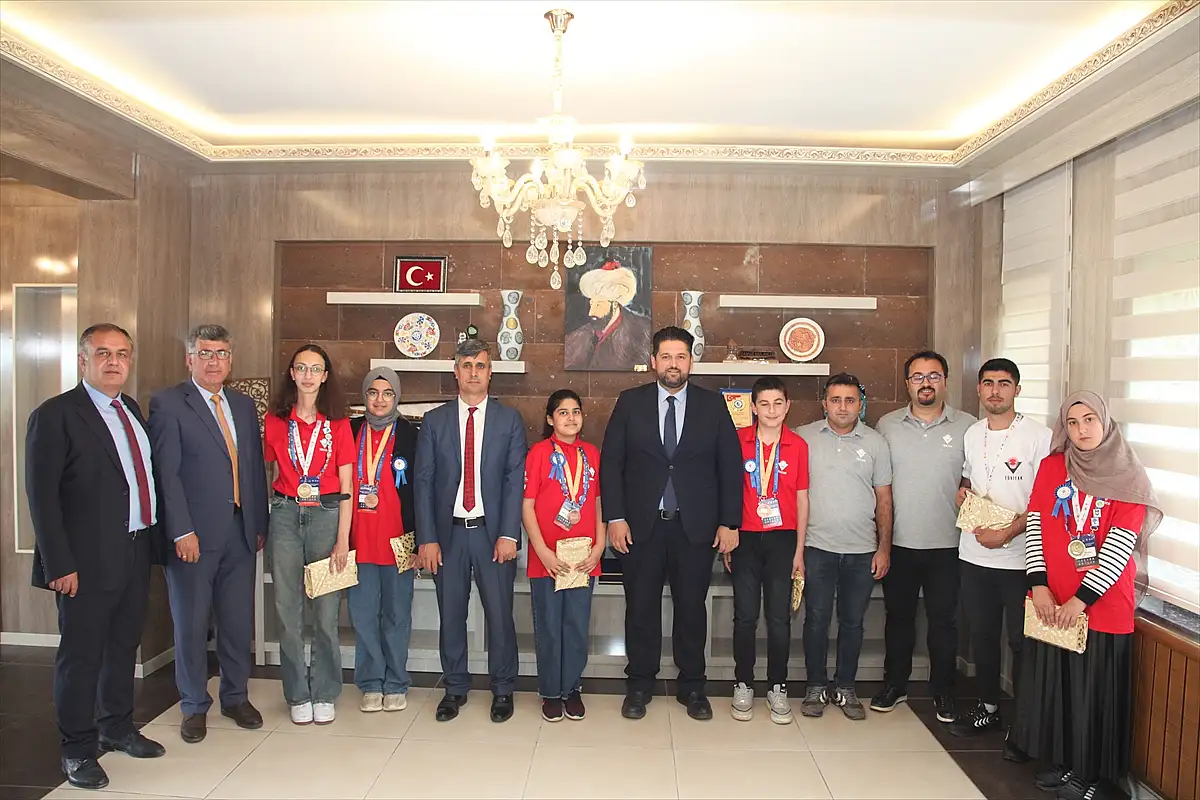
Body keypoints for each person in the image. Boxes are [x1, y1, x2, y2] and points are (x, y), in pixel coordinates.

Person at [26, 323, 165, 791]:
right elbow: (42, 497)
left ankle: (117, 727)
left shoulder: (130, 410)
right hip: (82, 562)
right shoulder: (56, 415)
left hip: (134, 548)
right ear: (83, 359)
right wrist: (58, 563)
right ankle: (77, 749)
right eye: (103, 353)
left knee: (123, 647)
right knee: (81, 657)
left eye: (121, 353)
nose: (113, 361)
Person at [1013, 392, 1161, 800]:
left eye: (1090, 419)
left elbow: (1120, 546)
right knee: (1060, 688)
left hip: (1102, 606)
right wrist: (1038, 585)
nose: (1081, 430)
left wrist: (1080, 601)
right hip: (1053, 602)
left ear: (1106, 422)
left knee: (1093, 694)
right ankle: (1063, 762)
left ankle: (1091, 775)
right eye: (1073, 422)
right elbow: (1036, 525)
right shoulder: (1053, 466)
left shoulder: (1128, 474)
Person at [601, 326, 742, 721]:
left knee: (692, 609)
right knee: (640, 607)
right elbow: (611, 463)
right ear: (653, 361)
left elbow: (730, 467)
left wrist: (729, 522)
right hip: (640, 528)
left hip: (694, 527)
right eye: (666, 356)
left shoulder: (712, 406)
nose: (673, 364)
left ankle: (692, 686)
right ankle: (639, 683)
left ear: (691, 362)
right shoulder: (630, 403)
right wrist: (615, 517)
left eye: (681, 356)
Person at [149, 324, 269, 744]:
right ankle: (193, 705)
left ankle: (235, 697)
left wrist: (258, 524)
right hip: (193, 537)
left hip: (240, 531)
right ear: (190, 359)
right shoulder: (168, 404)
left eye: (221, 353)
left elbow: (252, 467)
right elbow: (166, 474)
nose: (213, 361)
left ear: (231, 361)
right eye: (205, 353)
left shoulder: (242, 405)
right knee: (192, 623)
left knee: (236, 623)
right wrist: (181, 529)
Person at [414, 339, 527, 723]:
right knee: (451, 615)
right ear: (456, 371)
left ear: (490, 372)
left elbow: (514, 481)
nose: (473, 373)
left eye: (480, 366)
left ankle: (503, 688)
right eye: (467, 366)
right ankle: (455, 688)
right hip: (448, 536)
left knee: (500, 615)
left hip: (492, 535)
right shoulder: (435, 421)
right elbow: (423, 482)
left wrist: (509, 534)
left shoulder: (509, 420)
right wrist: (427, 538)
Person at [950, 359, 1051, 745]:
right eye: (988, 383)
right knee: (983, 636)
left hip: (1022, 559)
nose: (995, 391)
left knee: (1022, 643)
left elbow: (1045, 500)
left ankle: (1025, 726)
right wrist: (962, 493)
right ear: (979, 389)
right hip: (974, 555)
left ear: (1017, 390)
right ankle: (988, 708)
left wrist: (1009, 531)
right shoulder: (973, 433)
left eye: (1004, 383)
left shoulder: (1039, 437)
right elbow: (970, 478)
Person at [874, 350, 975, 722]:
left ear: (945, 380)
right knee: (898, 618)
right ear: (907, 384)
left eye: (933, 375)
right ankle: (895, 685)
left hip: (948, 544)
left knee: (943, 621)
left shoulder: (968, 426)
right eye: (918, 377)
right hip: (899, 543)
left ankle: (943, 690)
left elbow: (975, 478)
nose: (926, 383)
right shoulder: (887, 425)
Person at [262, 344, 355, 726]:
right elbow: (268, 470)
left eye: (315, 369)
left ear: (325, 376)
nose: (308, 376)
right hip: (285, 515)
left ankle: (325, 691)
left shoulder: (339, 422)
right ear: (292, 373)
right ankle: (297, 693)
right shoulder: (275, 420)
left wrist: (343, 539)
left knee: (326, 611)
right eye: (301, 368)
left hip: (327, 516)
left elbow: (348, 484)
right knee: (287, 610)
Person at [796, 374, 893, 721]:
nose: (842, 407)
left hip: (861, 549)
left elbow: (884, 499)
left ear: (860, 405)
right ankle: (815, 686)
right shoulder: (804, 437)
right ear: (824, 403)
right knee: (816, 619)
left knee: (852, 622)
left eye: (850, 400)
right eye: (835, 400)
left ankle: (846, 686)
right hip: (816, 546)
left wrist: (884, 548)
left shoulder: (876, 443)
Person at [727, 377, 809, 724]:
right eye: (764, 404)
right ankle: (743, 683)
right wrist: (729, 533)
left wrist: (799, 551)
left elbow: (802, 499)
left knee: (778, 618)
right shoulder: (738, 441)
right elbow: (728, 490)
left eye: (778, 403)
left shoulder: (798, 445)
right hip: (745, 538)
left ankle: (778, 686)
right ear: (753, 408)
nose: (772, 410)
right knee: (745, 616)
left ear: (787, 406)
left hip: (783, 539)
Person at [522, 390, 605, 722]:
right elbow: (527, 506)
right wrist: (542, 551)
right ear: (550, 419)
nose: (571, 418)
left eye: (576, 411)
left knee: (576, 626)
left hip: (583, 558)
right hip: (549, 559)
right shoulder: (539, 453)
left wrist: (599, 547)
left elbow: (598, 502)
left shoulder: (592, 454)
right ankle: (550, 692)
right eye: (563, 412)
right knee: (550, 627)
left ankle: (571, 688)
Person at [347, 367, 419, 713]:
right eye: (373, 392)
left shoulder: (411, 435)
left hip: (399, 541)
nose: (379, 400)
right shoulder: (349, 430)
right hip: (358, 541)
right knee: (363, 616)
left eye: (387, 393)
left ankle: (396, 682)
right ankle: (371, 682)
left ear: (397, 397)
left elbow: (421, 491)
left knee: (396, 615)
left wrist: (420, 541)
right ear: (364, 396)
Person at [563, 259, 654, 370]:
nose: (591, 312)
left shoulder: (641, 331)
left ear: (614, 304)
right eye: (592, 304)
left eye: (599, 305)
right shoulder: (580, 335)